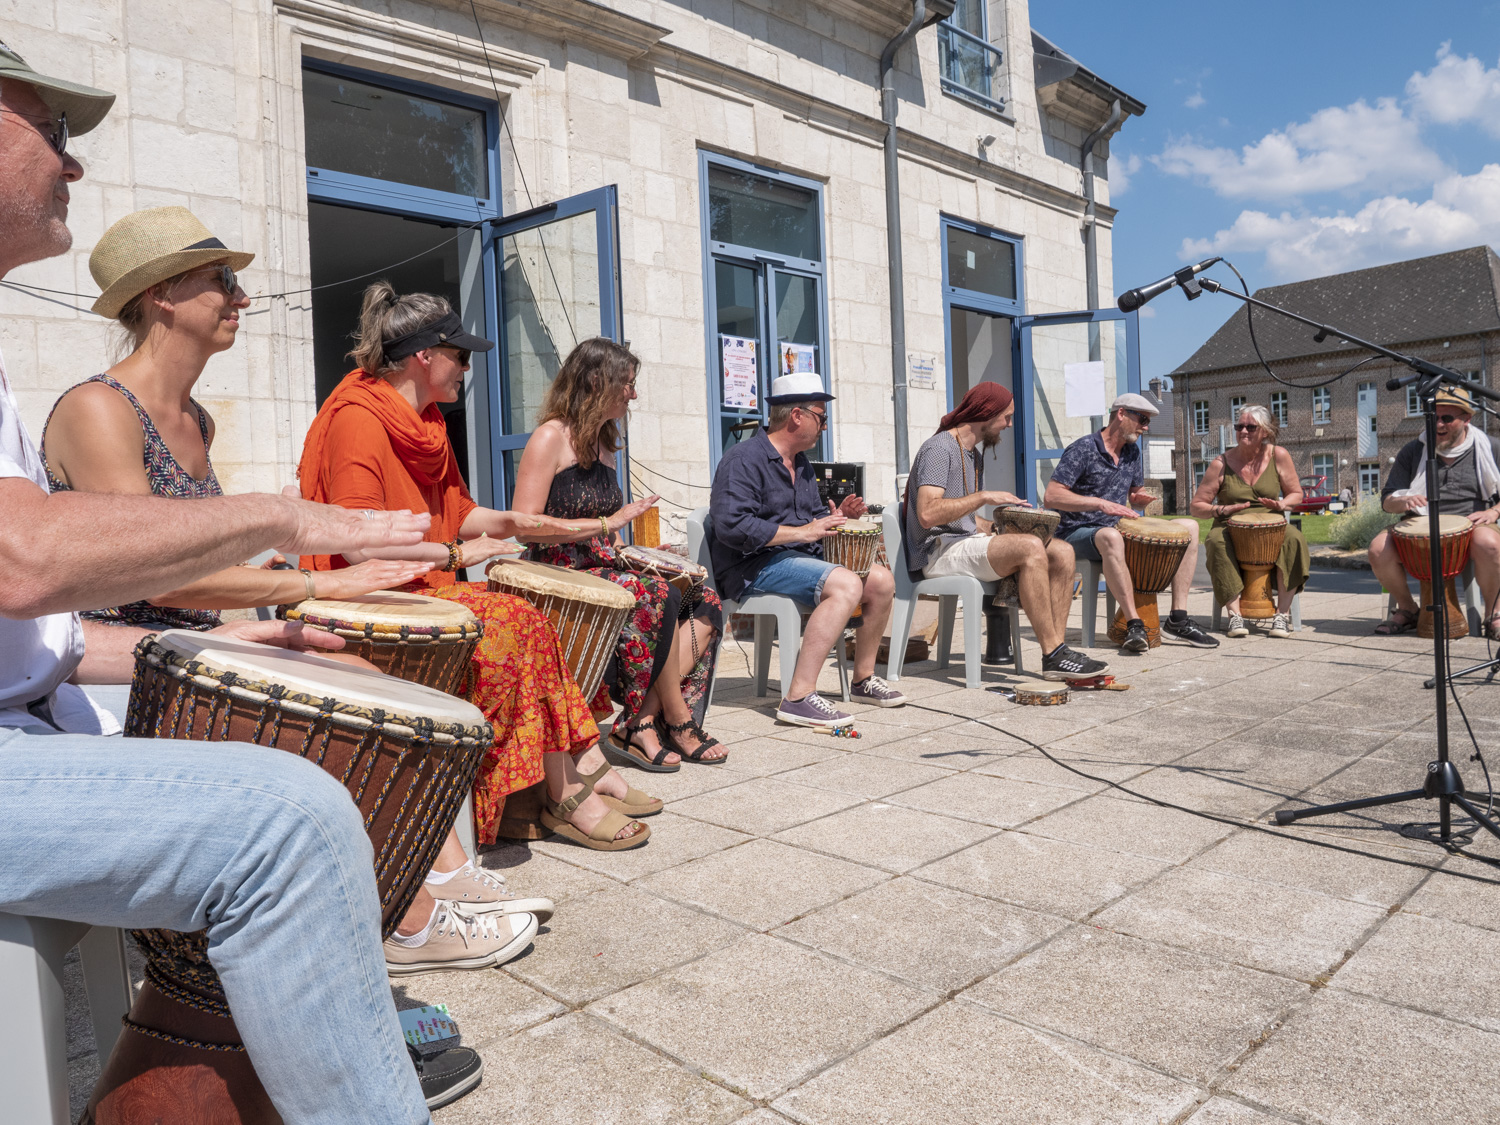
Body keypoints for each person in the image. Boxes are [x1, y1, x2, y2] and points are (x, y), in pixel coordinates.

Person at [0, 42, 470, 1117]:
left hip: (61, 691)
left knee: (324, 694)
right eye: (52, 134)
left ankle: (316, 998)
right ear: (164, 296)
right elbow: (27, 562)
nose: (72, 170)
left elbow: (34, 634)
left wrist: (265, 619)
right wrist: (295, 550)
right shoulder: (92, 404)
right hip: (45, 719)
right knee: (286, 817)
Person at [42, 209, 550, 971]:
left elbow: (198, 558)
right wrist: (307, 578)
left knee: (371, 685)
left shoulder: (193, 418)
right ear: (161, 296)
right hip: (121, 667)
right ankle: (407, 920)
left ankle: (438, 875)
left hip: (193, 647)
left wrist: (290, 581)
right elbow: (153, 573)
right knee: (336, 718)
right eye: (222, 281)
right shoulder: (98, 409)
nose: (240, 298)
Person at [300, 284, 660, 871]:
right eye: (461, 357)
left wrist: (512, 520)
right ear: (426, 356)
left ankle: (569, 775)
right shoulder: (358, 422)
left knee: (528, 619)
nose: (468, 369)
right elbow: (358, 538)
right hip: (372, 595)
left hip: (422, 582)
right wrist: (450, 556)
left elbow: (460, 510)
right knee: (516, 622)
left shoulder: (428, 423)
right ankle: (559, 790)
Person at [513, 337, 727, 769]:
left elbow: (608, 535)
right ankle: (673, 723)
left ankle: (643, 717)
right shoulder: (549, 438)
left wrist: (642, 553)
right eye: (627, 383)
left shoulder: (604, 442)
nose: (634, 393)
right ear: (597, 381)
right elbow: (524, 527)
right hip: (558, 570)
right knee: (654, 595)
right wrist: (608, 525)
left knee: (703, 599)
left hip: (600, 565)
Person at [710, 371, 907, 728]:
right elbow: (731, 527)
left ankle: (862, 679)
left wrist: (834, 518)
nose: (825, 427)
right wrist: (803, 533)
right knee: (846, 584)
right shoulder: (742, 459)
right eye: (822, 417)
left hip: (793, 558)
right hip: (751, 565)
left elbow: (811, 519)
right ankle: (798, 696)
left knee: (880, 579)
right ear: (797, 415)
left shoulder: (800, 464)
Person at [905, 382, 1109, 680]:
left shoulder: (972, 453)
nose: (1009, 424)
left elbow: (966, 519)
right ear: (986, 414)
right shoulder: (939, 448)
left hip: (963, 543)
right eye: (1006, 417)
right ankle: (1052, 653)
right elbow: (927, 514)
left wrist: (1005, 526)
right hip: (936, 551)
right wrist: (984, 497)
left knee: (1062, 551)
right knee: (1028, 548)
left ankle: (1057, 652)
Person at [1044, 393, 1218, 653]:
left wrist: (1138, 499)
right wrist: (1099, 503)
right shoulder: (1083, 449)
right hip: (1075, 533)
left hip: (1113, 529)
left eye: (1147, 421)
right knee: (1110, 537)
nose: (1145, 426)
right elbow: (1052, 496)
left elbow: (1134, 495)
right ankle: (1134, 624)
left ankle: (1177, 619)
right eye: (1142, 419)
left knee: (1190, 528)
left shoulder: (1132, 452)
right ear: (1121, 414)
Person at [1370, 384, 1500, 636]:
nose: (1438, 425)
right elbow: (1387, 500)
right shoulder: (1413, 450)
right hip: (1419, 524)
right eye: (1433, 418)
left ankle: (1494, 614)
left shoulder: (1490, 447)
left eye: (1446, 418)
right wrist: (1403, 501)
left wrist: (1494, 512)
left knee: (1490, 543)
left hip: (1474, 524)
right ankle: (1409, 609)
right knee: (1378, 549)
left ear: (1466, 419)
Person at [1190, 404, 1311, 638]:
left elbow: (1296, 493)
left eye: (1250, 427)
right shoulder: (1221, 463)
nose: (1243, 431)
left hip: (1271, 525)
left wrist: (1282, 505)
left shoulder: (1279, 455)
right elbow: (1197, 506)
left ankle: (1282, 615)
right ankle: (1235, 615)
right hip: (1229, 524)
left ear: (1264, 431)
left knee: (1294, 539)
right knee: (1216, 542)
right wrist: (1222, 509)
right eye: (1239, 426)